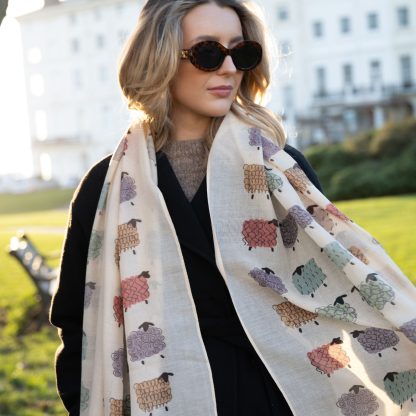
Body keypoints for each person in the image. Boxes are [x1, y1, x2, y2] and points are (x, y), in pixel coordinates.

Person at [50, 1, 416, 416]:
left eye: (241, 53)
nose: (228, 68)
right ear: (160, 58)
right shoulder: (106, 187)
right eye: (208, 53)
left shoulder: (281, 170)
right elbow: (76, 324)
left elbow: (342, 284)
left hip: (278, 396)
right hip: (159, 402)